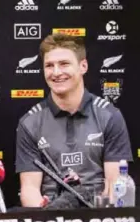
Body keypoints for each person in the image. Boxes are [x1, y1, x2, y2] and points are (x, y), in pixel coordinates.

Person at [15, 33, 132, 208]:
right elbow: (29, 189)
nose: (56, 72)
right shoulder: (30, 122)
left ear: (83, 66)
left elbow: (115, 184)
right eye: (49, 65)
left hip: (99, 219)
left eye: (64, 64)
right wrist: (47, 220)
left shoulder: (109, 116)